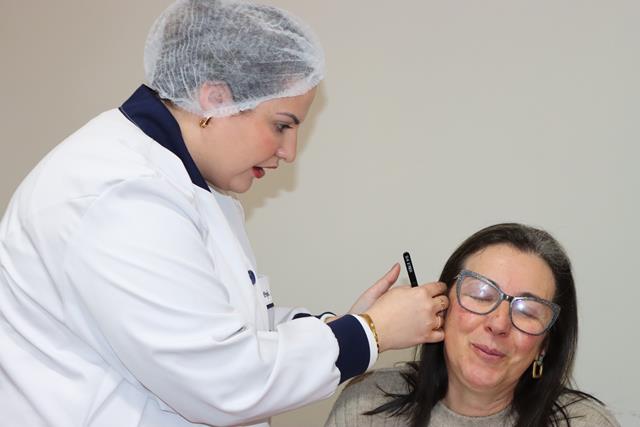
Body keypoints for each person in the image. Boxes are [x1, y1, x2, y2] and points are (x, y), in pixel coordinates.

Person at [0, 1, 451, 426]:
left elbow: (228, 327)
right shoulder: (121, 194)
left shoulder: (182, 186)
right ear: (215, 99)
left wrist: (336, 327)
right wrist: (370, 332)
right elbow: (223, 382)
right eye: (282, 125)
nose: (289, 151)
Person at [326, 223, 620, 427]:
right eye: (481, 295)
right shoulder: (366, 405)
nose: (499, 323)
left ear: (545, 344)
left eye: (527, 311)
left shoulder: (587, 422)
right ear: (441, 307)